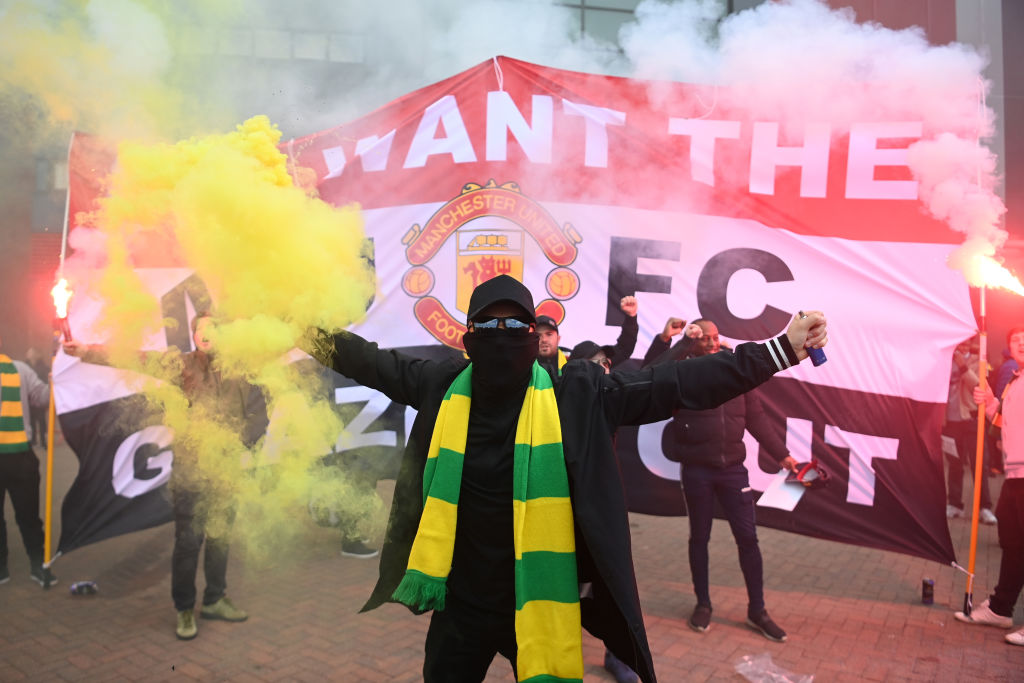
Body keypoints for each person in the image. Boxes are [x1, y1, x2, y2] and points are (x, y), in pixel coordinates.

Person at [303, 275, 827, 682]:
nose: (503, 337)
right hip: (461, 601)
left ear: (535, 337)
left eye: (516, 327)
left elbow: (679, 381)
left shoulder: (577, 393)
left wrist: (780, 349)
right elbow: (364, 361)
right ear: (468, 339)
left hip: (541, 594)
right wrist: (294, 325)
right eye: (489, 327)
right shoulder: (440, 384)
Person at [64, 312, 268, 640]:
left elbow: (259, 415)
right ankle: (185, 608)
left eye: (213, 327)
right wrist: (86, 350)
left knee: (220, 539)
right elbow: (135, 359)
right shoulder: (183, 365)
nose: (205, 332)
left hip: (227, 471)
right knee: (188, 542)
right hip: (191, 472)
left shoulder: (242, 370)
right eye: (199, 328)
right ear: (194, 335)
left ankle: (215, 599)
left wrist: (237, 444)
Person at [642, 317, 797, 643]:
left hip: (733, 470)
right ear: (695, 342)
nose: (713, 342)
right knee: (699, 537)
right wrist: (681, 341)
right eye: (705, 338)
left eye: (716, 337)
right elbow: (647, 376)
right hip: (697, 469)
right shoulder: (683, 373)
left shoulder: (736, 370)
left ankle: (758, 610)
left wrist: (783, 455)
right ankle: (703, 604)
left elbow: (756, 418)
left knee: (748, 538)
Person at [568, 339, 639, 683]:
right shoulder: (552, 398)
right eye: (593, 362)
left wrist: (680, 341)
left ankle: (619, 655)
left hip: (604, 515)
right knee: (571, 587)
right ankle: (561, 653)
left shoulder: (612, 399)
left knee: (611, 585)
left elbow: (658, 374)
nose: (603, 368)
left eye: (605, 362)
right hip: (564, 514)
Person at [954, 325, 1024, 646]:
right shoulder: (1014, 381)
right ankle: (1000, 608)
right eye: (1014, 340)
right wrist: (992, 403)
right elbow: (1001, 423)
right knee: (1012, 543)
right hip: (1014, 475)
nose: (1020, 343)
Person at [0, 333, 56, 588]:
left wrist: (55, 381)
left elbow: (43, 397)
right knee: (28, 517)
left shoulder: (20, 369)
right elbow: (42, 398)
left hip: (21, 457)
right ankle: (14, 567)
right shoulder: (20, 368)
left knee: (29, 516)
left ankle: (37, 565)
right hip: (21, 459)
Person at [944, 336, 996, 524]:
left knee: (979, 464)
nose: (963, 345)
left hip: (971, 419)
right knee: (955, 464)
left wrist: (963, 366)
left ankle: (985, 507)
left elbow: (978, 386)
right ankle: (955, 504)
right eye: (960, 341)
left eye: (966, 342)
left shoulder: (978, 360)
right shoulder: (944, 360)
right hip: (950, 420)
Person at [537, 295, 638, 376]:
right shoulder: (524, 362)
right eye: (538, 336)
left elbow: (624, 349)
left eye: (549, 334)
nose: (544, 340)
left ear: (558, 338)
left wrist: (631, 318)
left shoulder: (574, 358)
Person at [23, 347, 49, 448]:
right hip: (28, 399)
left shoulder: (43, 367)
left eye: (30, 352)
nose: (28, 354)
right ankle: (33, 440)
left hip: (39, 398)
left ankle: (44, 441)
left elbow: (46, 380)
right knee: (31, 420)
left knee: (41, 420)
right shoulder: (25, 366)